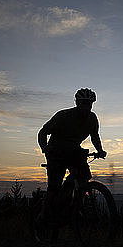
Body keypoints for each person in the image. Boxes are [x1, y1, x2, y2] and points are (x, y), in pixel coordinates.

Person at [37, 88, 107, 220]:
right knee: (54, 186)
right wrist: (45, 148)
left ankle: (73, 206)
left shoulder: (92, 118)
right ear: (77, 103)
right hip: (56, 151)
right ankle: (44, 216)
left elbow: (95, 136)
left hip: (74, 150)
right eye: (83, 103)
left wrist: (100, 150)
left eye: (89, 104)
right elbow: (43, 132)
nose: (86, 107)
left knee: (83, 176)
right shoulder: (63, 116)